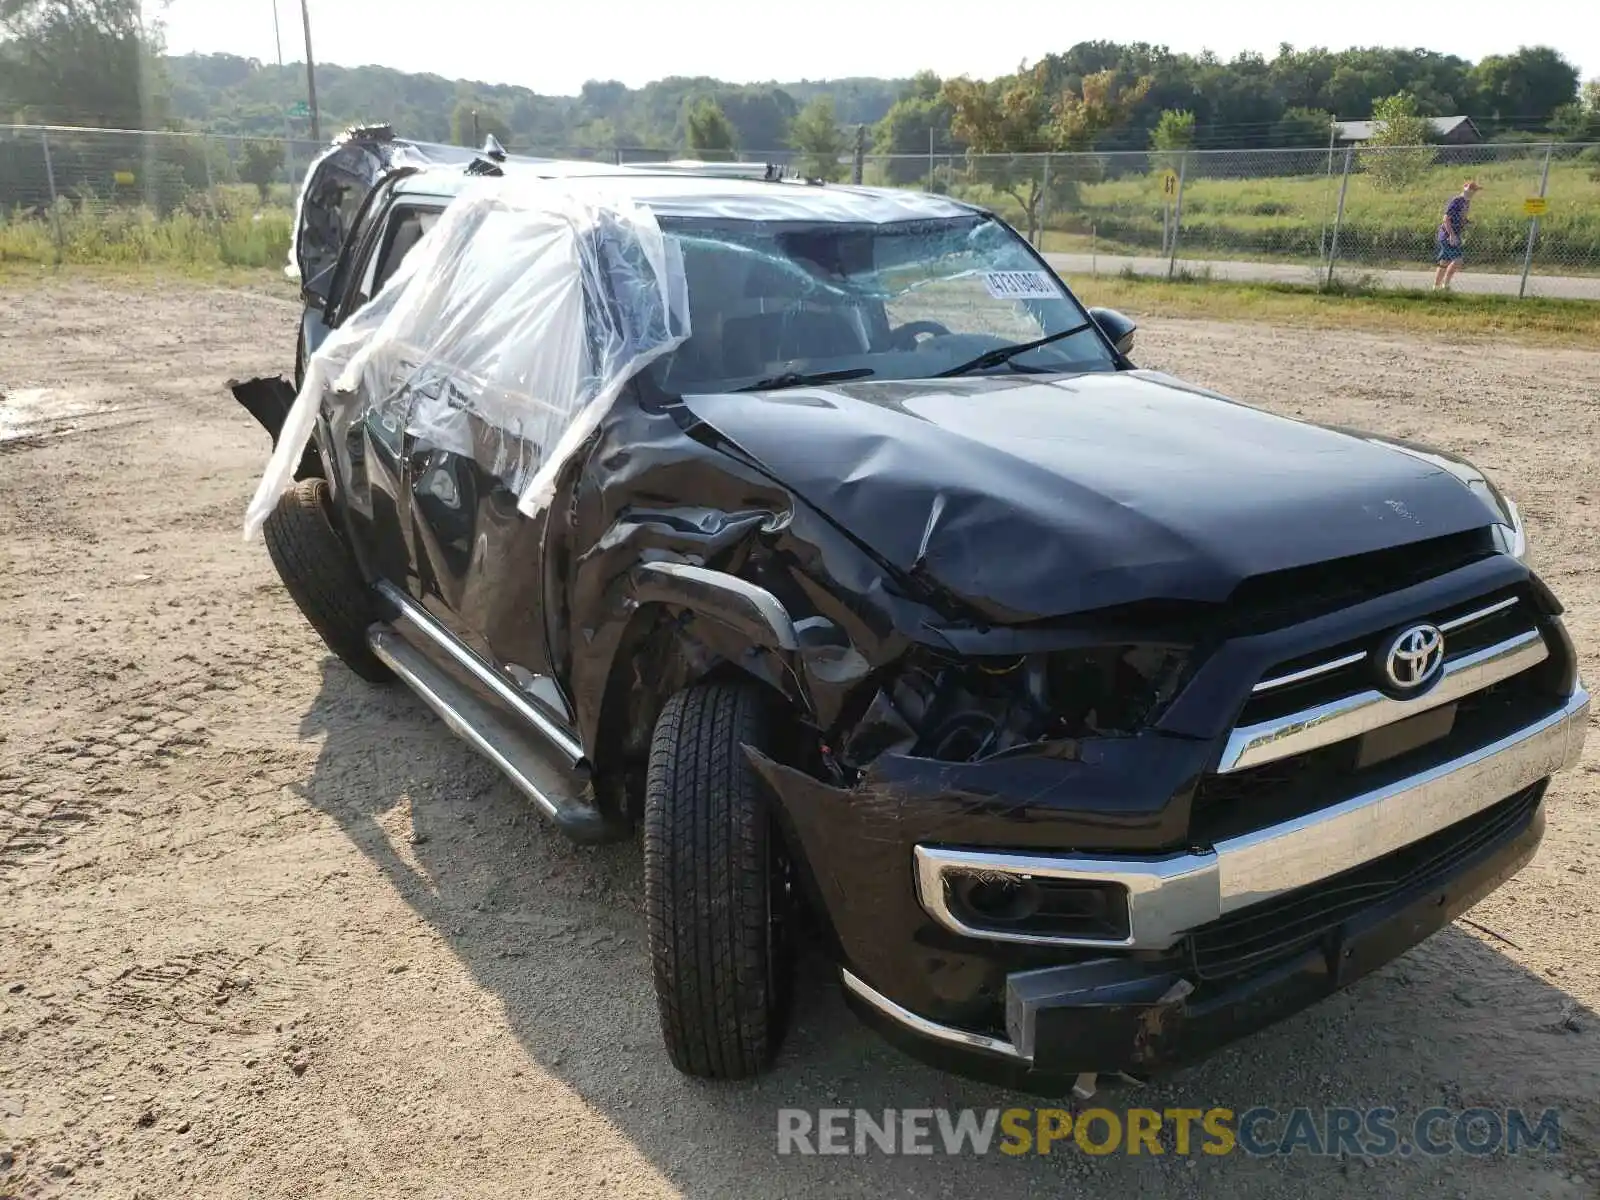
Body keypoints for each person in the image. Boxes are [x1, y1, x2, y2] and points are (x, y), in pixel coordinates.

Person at [1434, 180, 1481, 290]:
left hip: (1455, 234)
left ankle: (1436, 288)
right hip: (1447, 235)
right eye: (1471, 189)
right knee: (1458, 260)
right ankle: (1445, 285)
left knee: (1444, 262)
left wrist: (1468, 222)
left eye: (1474, 190)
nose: (1473, 192)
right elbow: (1446, 219)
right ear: (1465, 189)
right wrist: (1451, 235)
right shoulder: (1456, 201)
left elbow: (1461, 218)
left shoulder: (1466, 202)